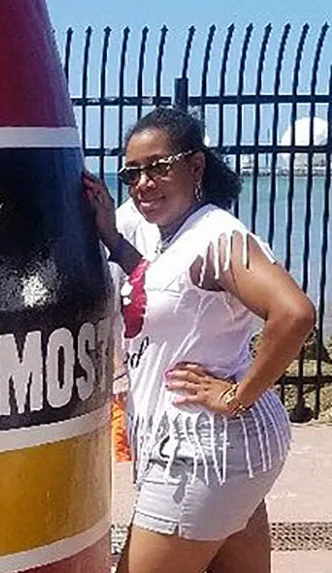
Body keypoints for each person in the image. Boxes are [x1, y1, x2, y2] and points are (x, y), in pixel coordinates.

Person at [82, 107, 316, 573]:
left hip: (201, 454)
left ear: (195, 166)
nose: (143, 182)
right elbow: (161, 285)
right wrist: (112, 237)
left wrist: (236, 395)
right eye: (133, 172)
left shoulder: (217, 238)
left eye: (159, 167)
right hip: (227, 455)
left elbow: (295, 314)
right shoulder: (176, 239)